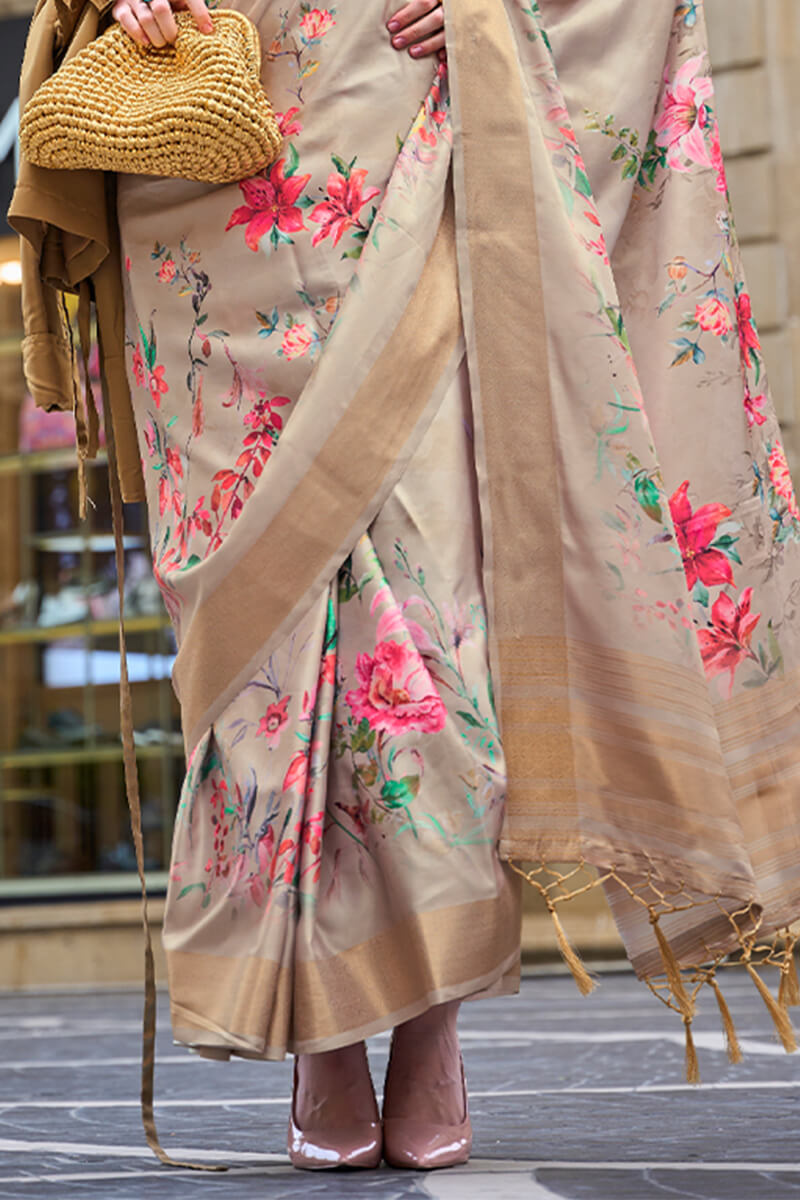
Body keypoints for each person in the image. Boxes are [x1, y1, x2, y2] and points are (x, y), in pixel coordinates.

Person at [12, 0, 800, 1175]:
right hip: (204, 145)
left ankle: (431, 1016)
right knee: (261, 630)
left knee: (436, 612)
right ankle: (319, 1033)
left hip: (401, 134)